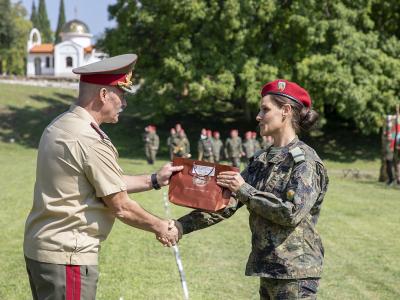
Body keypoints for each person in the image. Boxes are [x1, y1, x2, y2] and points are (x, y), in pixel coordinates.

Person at [23, 54, 182, 300]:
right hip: (68, 257)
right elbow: (121, 206)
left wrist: (154, 179)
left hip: (43, 250)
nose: (124, 103)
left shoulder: (60, 125)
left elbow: (103, 182)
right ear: (104, 95)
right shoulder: (88, 139)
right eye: (122, 95)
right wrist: (161, 226)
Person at [175, 79, 329, 299]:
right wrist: (180, 226)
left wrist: (245, 189)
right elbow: (226, 204)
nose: (258, 116)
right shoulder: (261, 159)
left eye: (265, 109)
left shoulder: (305, 162)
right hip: (268, 268)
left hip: (296, 273)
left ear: (285, 111)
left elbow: (291, 213)